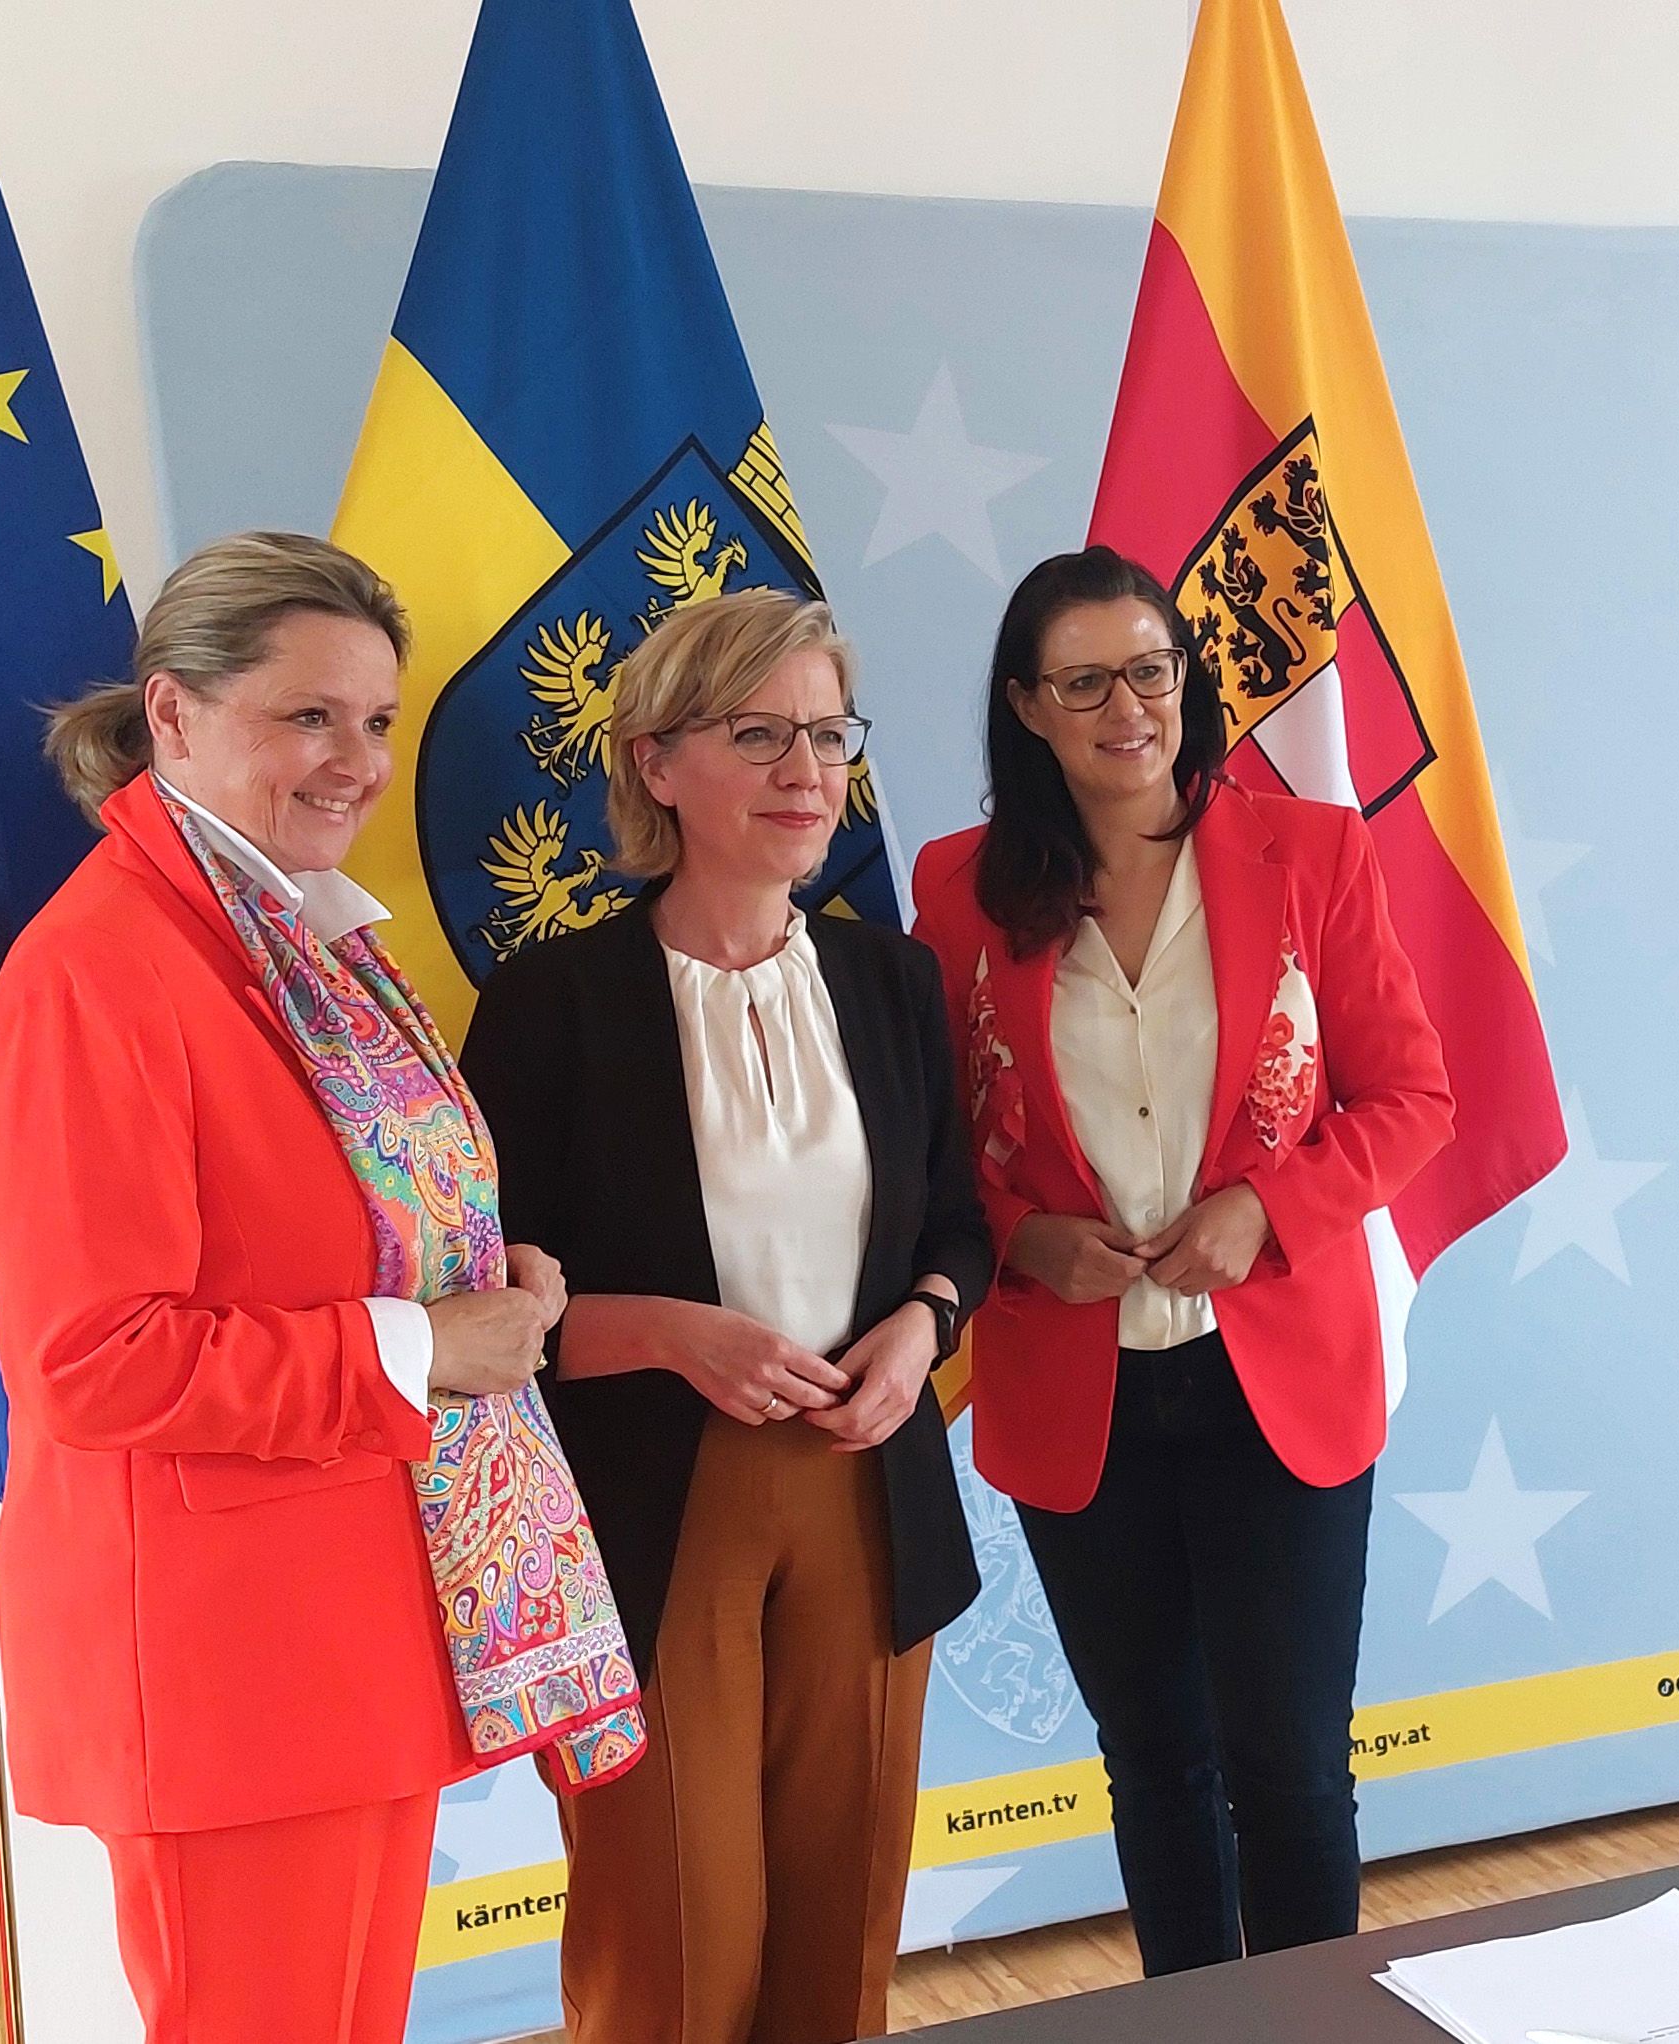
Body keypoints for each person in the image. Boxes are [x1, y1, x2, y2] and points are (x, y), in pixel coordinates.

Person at [0, 532, 618, 2044]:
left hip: (344, 1641)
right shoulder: (103, 970)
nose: (355, 760)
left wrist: (469, 1275)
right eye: (306, 715)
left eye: (377, 720)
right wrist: (425, 1346)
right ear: (175, 716)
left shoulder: (292, 939)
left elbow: (326, 1222)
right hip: (224, 1675)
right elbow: (95, 1359)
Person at [910, 546, 1455, 1974]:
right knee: (1154, 1764)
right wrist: (1019, 1235)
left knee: (1288, 1768)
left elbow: (1411, 1101)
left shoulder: (1312, 855)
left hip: (1274, 1377)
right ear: (1025, 707)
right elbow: (932, 1133)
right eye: (1083, 681)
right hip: (1077, 1384)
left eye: (1148, 670)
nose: (1125, 707)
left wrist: (1267, 1211)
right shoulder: (960, 889)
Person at [461, 589, 988, 2044]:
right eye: (758, 734)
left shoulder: (891, 980)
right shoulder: (549, 1003)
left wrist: (924, 1324)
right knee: (677, 1937)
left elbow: (955, 1221)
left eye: (826, 733)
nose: (806, 771)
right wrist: (669, 1331)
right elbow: (478, 1299)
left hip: (867, 1488)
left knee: (840, 1932)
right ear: (653, 762)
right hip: (649, 1502)